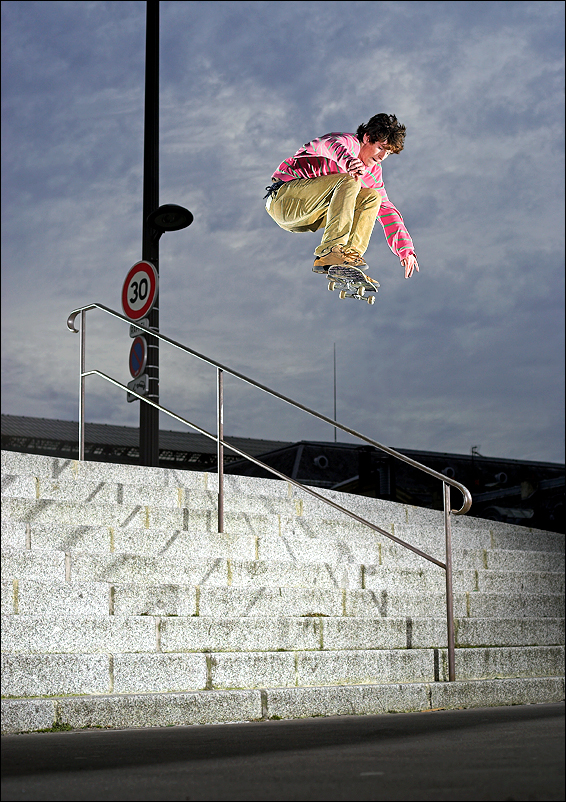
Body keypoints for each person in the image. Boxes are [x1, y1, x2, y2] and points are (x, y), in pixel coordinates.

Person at [264, 113, 418, 283]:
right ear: (367, 138)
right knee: (350, 180)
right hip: (284, 198)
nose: (382, 157)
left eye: (387, 153)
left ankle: (348, 258)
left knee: (373, 198)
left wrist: (406, 250)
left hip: (307, 219)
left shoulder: (373, 173)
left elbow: (387, 210)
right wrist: (348, 161)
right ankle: (332, 251)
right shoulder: (346, 142)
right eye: (381, 148)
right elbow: (327, 145)